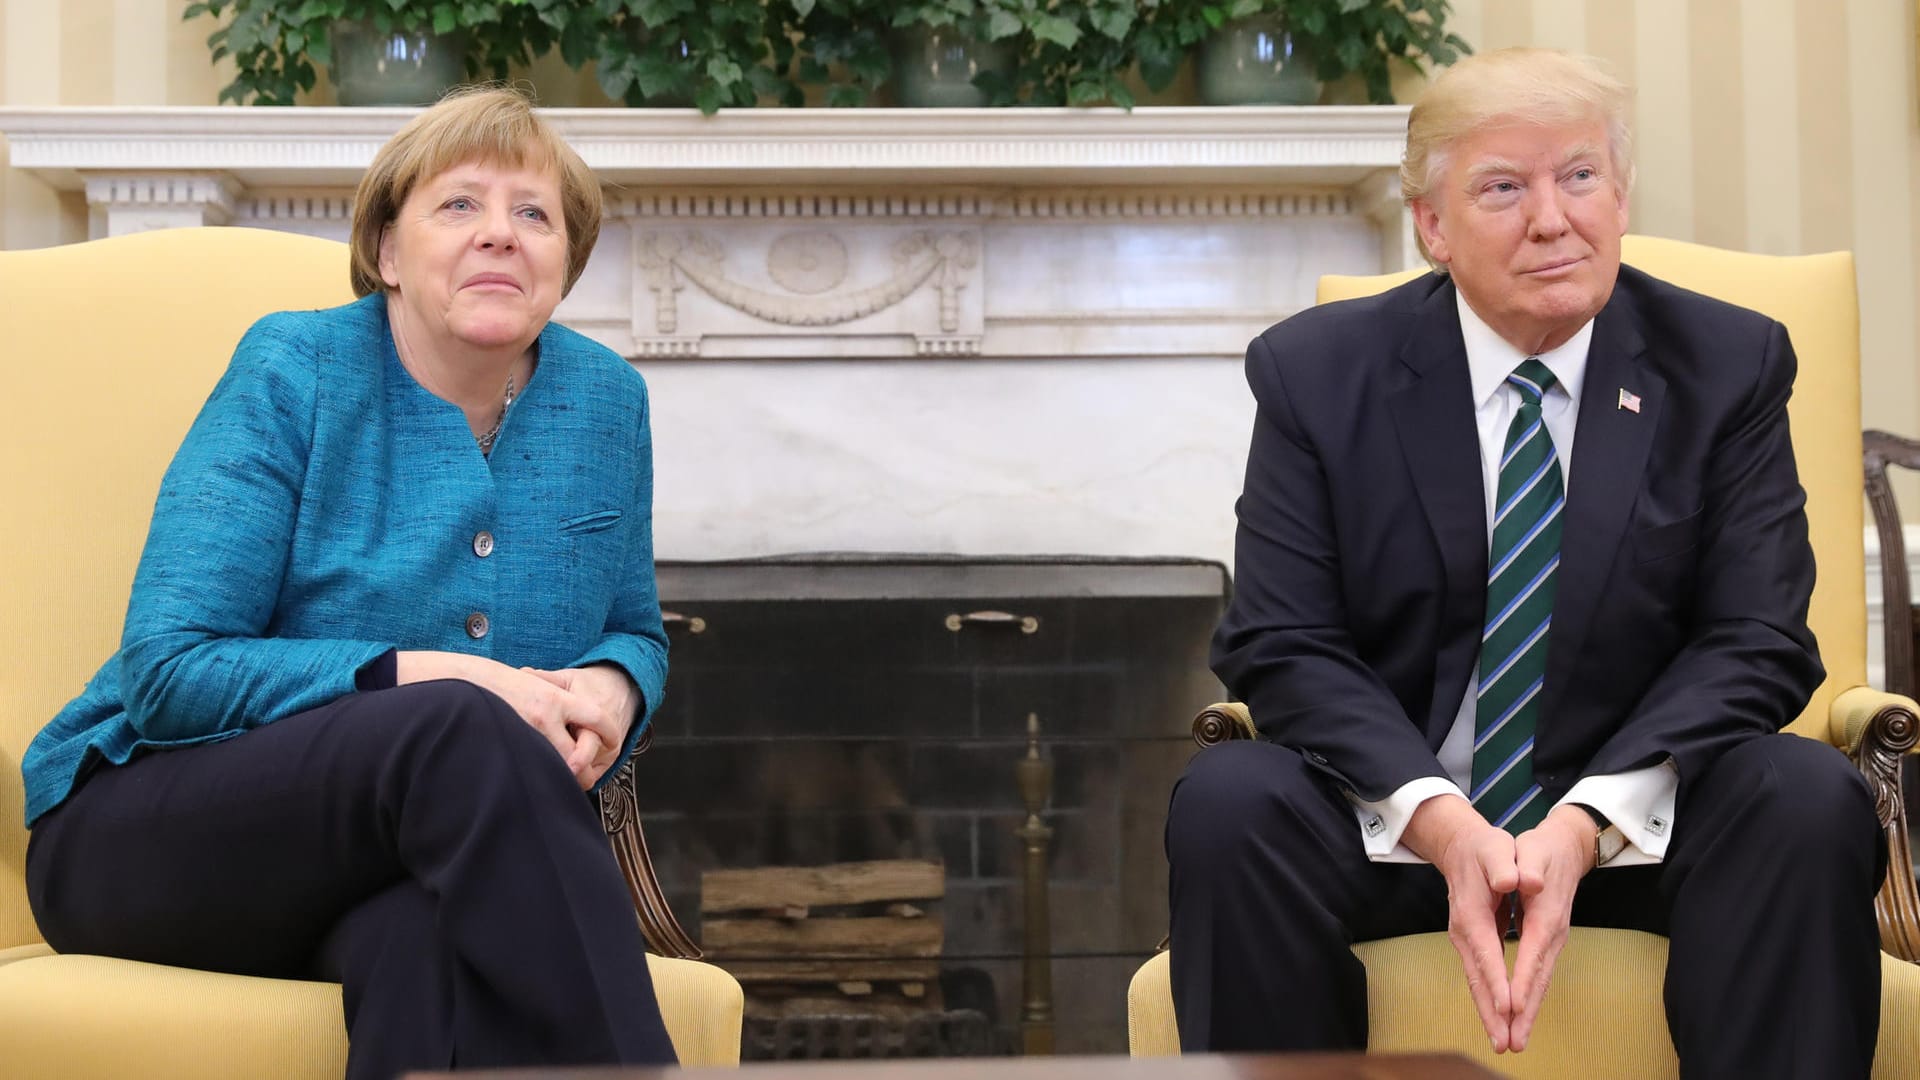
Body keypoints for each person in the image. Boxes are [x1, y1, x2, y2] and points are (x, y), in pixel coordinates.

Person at [1166, 48, 1885, 1078]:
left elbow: (1758, 636)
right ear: (1432, 224)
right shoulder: (1317, 373)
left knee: (1806, 794)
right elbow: (1281, 640)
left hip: (1638, 823)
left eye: (1580, 176)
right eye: (1503, 187)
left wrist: (1589, 819)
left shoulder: (1726, 365)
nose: (1553, 218)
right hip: (1403, 825)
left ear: (1620, 193)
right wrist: (1444, 823)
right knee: (1230, 799)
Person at [20, 87, 678, 1078]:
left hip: (384, 872)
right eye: (459, 205)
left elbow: (633, 627)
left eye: (533, 213)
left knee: (427, 955)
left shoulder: (605, 402)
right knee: (462, 722)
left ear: (565, 265)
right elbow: (168, 672)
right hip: (145, 839)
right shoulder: (298, 369)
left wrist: (616, 687)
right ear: (386, 254)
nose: (500, 234)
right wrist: (430, 675)